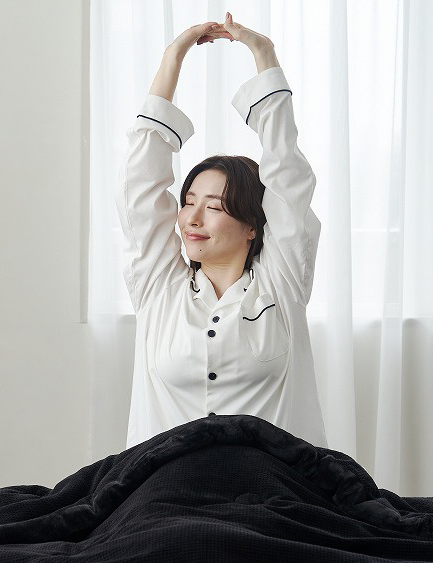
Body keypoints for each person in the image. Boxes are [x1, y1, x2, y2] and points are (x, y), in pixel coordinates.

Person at [116, 12, 327, 450]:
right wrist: (172, 58)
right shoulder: (159, 288)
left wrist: (264, 54)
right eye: (188, 202)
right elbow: (140, 187)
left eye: (213, 207)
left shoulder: (281, 283)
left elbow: (287, 175)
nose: (192, 219)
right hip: (167, 484)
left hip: (270, 485)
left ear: (252, 225)